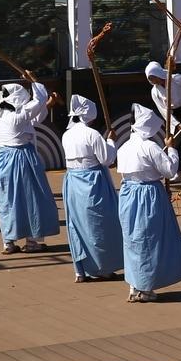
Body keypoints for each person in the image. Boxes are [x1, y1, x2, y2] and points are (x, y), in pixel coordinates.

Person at [117, 104, 181, 302]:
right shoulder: (150, 147)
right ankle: (144, 286)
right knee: (149, 239)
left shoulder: (125, 147)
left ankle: (135, 284)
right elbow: (170, 171)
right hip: (148, 195)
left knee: (133, 239)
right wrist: (172, 149)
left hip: (128, 194)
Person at [61, 94, 124, 282]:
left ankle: (82, 269)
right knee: (100, 224)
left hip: (73, 181)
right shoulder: (92, 134)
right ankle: (102, 267)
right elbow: (107, 159)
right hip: (93, 181)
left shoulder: (67, 134)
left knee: (78, 224)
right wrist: (111, 141)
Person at [0, 78, 61, 254]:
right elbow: (37, 102)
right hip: (21, 158)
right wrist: (35, 81)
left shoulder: (3, 116)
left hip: (3, 158)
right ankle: (32, 242)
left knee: (7, 200)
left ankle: (8, 242)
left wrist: (48, 103)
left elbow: (35, 115)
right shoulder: (18, 116)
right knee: (32, 198)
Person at [144, 60, 181, 164]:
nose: (153, 81)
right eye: (150, 79)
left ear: (158, 74)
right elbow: (163, 109)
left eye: (153, 77)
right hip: (175, 115)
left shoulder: (175, 79)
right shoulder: (154, 91)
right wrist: (176, 123)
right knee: (177, 143)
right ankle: (178, 170)